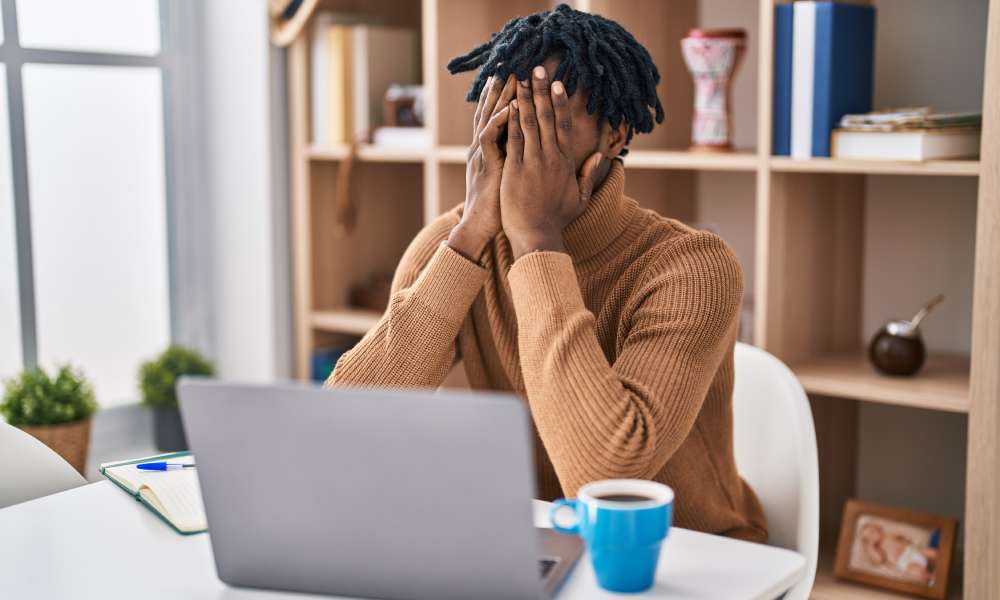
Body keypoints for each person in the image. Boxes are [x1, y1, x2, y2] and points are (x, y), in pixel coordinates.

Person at [326, 3, 766, 542]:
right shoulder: (452, 246)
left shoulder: (694, 268)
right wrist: (466, 240)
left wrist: (537, 241)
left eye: (547, 118)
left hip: (692, 556)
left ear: (615, 132)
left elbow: (606, 482)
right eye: (506, 115)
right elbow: (343, 426)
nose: (520, 140)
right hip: (539, 543)